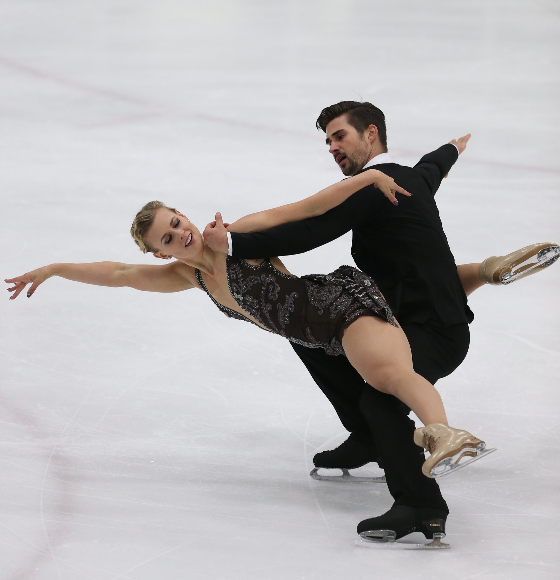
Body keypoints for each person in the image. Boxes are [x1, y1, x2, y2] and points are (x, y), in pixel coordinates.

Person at [202, 101, 559, 545]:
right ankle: (372, 438)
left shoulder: (372, 190)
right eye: (328, 140)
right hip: (426, 311)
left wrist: (231, 243)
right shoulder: (409, 177)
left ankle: (422, 504)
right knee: (313, 338)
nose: (332, 147)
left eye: (340, 136)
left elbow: (308, 231)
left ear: (371, 134)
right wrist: (450, 149)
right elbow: (432, 170)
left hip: (429, 328)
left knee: (382, 400)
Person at [7, 171, 491, 490]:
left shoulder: (235, 237)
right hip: (318, 339)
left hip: (339, 309)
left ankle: (445, 433)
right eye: (168, 238)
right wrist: (52, 269)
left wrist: (368, 178)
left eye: (177, 221)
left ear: (184, 213)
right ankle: (478, 276)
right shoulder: (188, 276)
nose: (181, 233)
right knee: (372, 389)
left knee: (388, 377)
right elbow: (117, 274)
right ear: (162, 253)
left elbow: (305, 208)